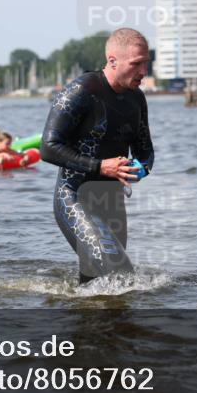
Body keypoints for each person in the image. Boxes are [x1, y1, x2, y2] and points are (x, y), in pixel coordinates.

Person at [41, 27, 154, 284]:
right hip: (74, 198)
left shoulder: (137, 99)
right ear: (112, 61)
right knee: (120, 274)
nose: (143, 72)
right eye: (136, 64)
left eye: (146, 63)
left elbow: (145, 150)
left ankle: (81, 318)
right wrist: (100, 166)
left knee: (96, 284)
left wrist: (140, 168)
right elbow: (48, 147)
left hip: (112, 203)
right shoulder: (82, 91)